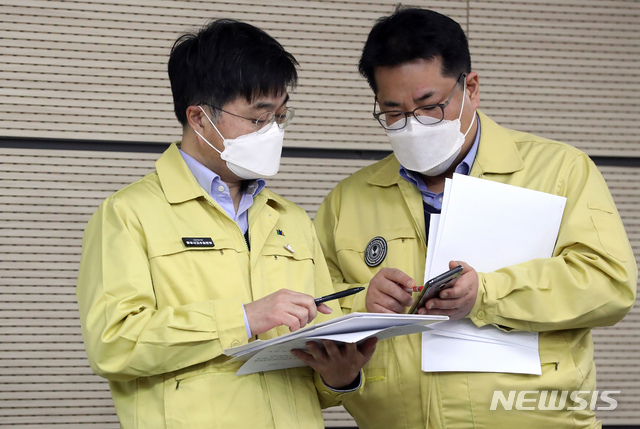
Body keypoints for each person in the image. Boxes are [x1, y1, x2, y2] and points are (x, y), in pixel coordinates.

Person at [314, 7, 637, 429]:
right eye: (393, 113)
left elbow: (610, 283)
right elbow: (314, 310)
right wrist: (365, 305)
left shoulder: (559, 171)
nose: (413, 126)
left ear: (472, 88)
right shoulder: (347, 201)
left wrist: (486, 293)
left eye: (430, 106)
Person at [76, 19, 376, 429]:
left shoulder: (290, 220)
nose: (273, 132)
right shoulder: (128, 215)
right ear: (199, 118)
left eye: (281, 116)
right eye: (258, 118)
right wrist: (245, 319)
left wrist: (341, 376)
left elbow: (317, 373)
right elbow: (114, 344)